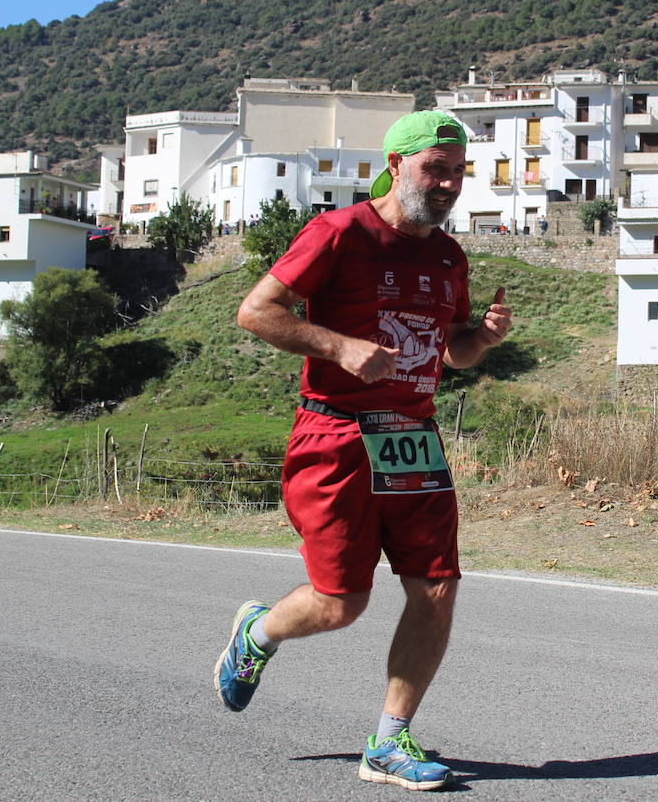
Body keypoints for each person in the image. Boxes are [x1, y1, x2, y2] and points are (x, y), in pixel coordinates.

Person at [214, 110, 512, 792]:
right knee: (340, 602)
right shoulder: (339, 233)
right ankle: (258, 634)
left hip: (413, 437)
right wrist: (338, 346)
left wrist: (484, 339)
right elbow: (256, 311)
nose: (446, 184)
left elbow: (451, 350)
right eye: (434, 169)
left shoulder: (447, 257)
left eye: (457, 172)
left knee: (436, 589)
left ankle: (388, 743)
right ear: (396, 164)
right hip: (337, 435)